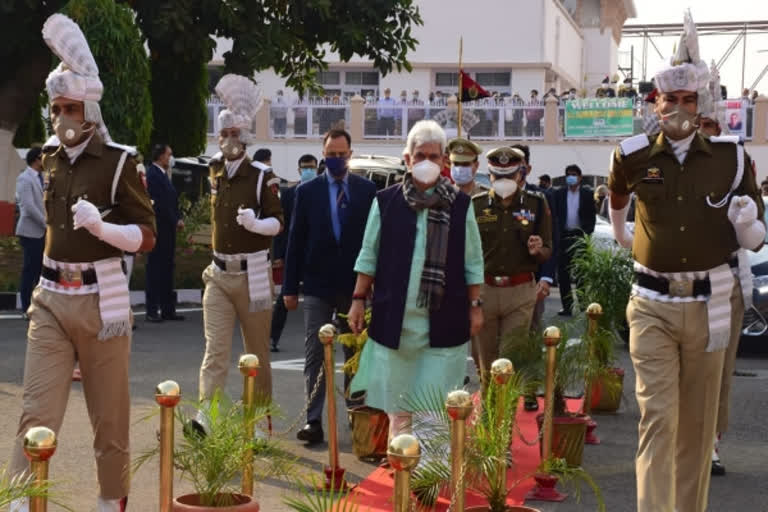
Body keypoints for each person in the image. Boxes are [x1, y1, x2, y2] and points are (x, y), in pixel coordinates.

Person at [607, 11, 764, 512]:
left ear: (702, 105)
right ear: (655, 102)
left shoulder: (731, 157)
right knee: (658, 419)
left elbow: (756, 231)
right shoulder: (631, 154)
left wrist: (746, 226)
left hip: (710, 304)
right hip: (651, 302)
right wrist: (624, 237)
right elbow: (615, 204)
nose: (677, 107)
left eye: (688, 99)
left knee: (696, 429)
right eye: (669, 99)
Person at [9, 14, 157, 512]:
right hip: (50, 300)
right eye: (55, 109)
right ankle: (16, 501)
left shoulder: (119, 161)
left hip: (102, 303)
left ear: (88, 108)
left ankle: (109, 501)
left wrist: (105, 230)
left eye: (69, 108)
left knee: (109, 420)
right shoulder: (48, 156)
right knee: (36, 413)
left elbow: (149, 236)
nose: (60, 118)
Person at [347, 119, 484, 442]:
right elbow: (369, 254)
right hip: (396, 323)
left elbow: (473, 261)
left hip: (444, 321)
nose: (426, 162)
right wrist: (357, 299)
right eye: (419, 155)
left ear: (444, 162)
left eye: (434, 156)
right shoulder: (386, 202)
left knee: (434, 409)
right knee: (400, 409)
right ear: (406, 159)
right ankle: (404, 477)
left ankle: (428, 482)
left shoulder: (461, 205)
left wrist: (475, 305)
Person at [195, 74, 283, 431]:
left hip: (254, 274)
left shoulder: (262, 175)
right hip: (218, 273)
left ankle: (259, 422)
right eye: (224, 134)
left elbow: (278, 222)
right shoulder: (214, 168)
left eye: (235, 134)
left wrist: (256, 225)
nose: (229, 140)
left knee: (256, 354)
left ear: (245, 136)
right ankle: (208, 415)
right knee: (215, 350)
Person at [283, 129, 376, 444]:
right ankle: (313, 420)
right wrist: (288, 288)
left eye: (341, 154)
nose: (336, 159)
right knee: (315, 352)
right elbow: (295, 240)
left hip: (354, 287)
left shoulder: (367, 191)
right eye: (330, 154)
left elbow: (374, 241)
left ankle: (356, 413)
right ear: (323, 154)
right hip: (317, 285)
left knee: (354, 351)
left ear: (351, 153)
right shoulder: (307, 192)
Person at [471, 146, 552, 390]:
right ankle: (489, 418)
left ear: (520, 174)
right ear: (490, 175)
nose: (504, 181)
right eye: (498, 176)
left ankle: (505, 422)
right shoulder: (476, 205)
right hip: (485, 290)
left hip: (520, 292)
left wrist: (539, 249)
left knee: (508, 363)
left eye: (510, 175)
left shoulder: (536, 204)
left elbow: (548, 247)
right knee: (485, 364)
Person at [270, 153, 318, 352]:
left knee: (322, 299)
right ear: (299, 170)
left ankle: (324, 340)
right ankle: (272, 338)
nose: (308, 170)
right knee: (284, 299)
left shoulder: (322, 191)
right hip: (293, 252)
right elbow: (281, 228)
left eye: (311, 167)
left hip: (316, 253)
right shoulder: (289, 195)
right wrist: (278, 255)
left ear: (317, 168)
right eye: (305, 167)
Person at [145, 144, 184, 322]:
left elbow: (172, 200)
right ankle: (152, 309)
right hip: (158, 229)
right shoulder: (152, 174)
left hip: (168, 230)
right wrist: (175, 219)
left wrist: (178, 217)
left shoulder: (164, 175)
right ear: (160, 156)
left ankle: (168, 309)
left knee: (167, 268)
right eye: (169, 154)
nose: (171, 158)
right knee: (155, 269)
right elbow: (159, 203)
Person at [554, 164, 596, 315]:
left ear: (580, 177)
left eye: (573, 174)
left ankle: (583, 304)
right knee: (563, 275)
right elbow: (555, 215)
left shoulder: (586, 194)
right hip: (563, 237)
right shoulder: (559, 193)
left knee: (580, 274)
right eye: (568, 175)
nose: (570, 177)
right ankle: (567, 307)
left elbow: (592, 216)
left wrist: (587, 233)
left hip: (579, 237)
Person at [15, 147, 46, 319]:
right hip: (31, 232)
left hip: (43, 232)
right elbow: (28, 208)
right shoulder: (24, 178)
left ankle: (39, 307)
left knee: (41, 272)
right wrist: (46, 223)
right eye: (43, 158)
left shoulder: (43, 178)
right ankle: (26, 308)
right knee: (30, 270)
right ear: (36, 159)